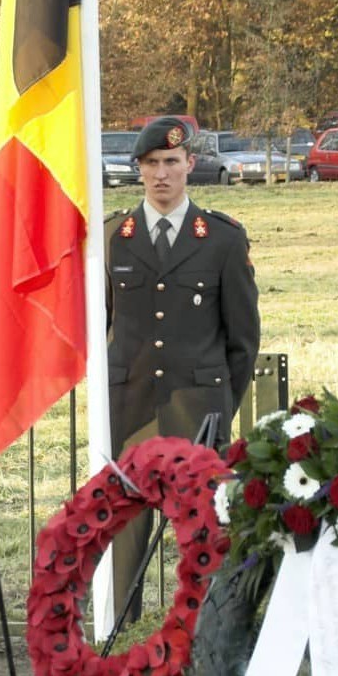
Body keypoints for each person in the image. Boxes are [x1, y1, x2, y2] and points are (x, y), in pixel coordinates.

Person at [106, 115, 260, 620]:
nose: (161, 174)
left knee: (202, 537)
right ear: (139, 169)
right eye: (151, 163)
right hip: (130, 414)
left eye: (171, 161)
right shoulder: (112, 238)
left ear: (190, 164)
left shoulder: (221, 239)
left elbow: (242, 341)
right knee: (124, 534)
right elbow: (97, 329)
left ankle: (203, 636)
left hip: (198, 415)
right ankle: (118, 633)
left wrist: (219, 409)